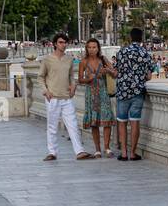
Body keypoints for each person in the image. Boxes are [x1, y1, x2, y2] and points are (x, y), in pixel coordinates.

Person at [40, 33, 88, 161]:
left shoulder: (69, 59)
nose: (64, 44)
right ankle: (52, 152)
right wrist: (45, 91)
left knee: (72, 125)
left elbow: (71, 76)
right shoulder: (47, 59)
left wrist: (73, 86)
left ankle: (80, 151)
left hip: (66, 98)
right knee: (52, 126)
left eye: (65, 42)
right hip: (52, 98)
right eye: (61, 42)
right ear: (55, 44)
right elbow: (40, 77)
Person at [113, 27, 155, 161]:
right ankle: (133, 153)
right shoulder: (145, 53)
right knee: (135, 122)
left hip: (122, 91)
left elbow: (117, 72)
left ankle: (124, 153)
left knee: (122, 122)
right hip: (137, 92)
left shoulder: (122, 52)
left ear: (130, 38)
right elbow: (148, 76)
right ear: (141, 38)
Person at [78, 38, 116, 159]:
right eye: (89, 47)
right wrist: (88, 79)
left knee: (106, 121)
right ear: (86, 49)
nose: (92, 50)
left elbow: (115, 73)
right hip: (91, 93)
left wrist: (107, 71)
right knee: (94, 123)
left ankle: (107, 148)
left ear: (98, 48)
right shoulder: (83, 62)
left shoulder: (103, 59)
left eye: (94, 47)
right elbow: (80, 79)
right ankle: (97, 150)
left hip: (103, 92)